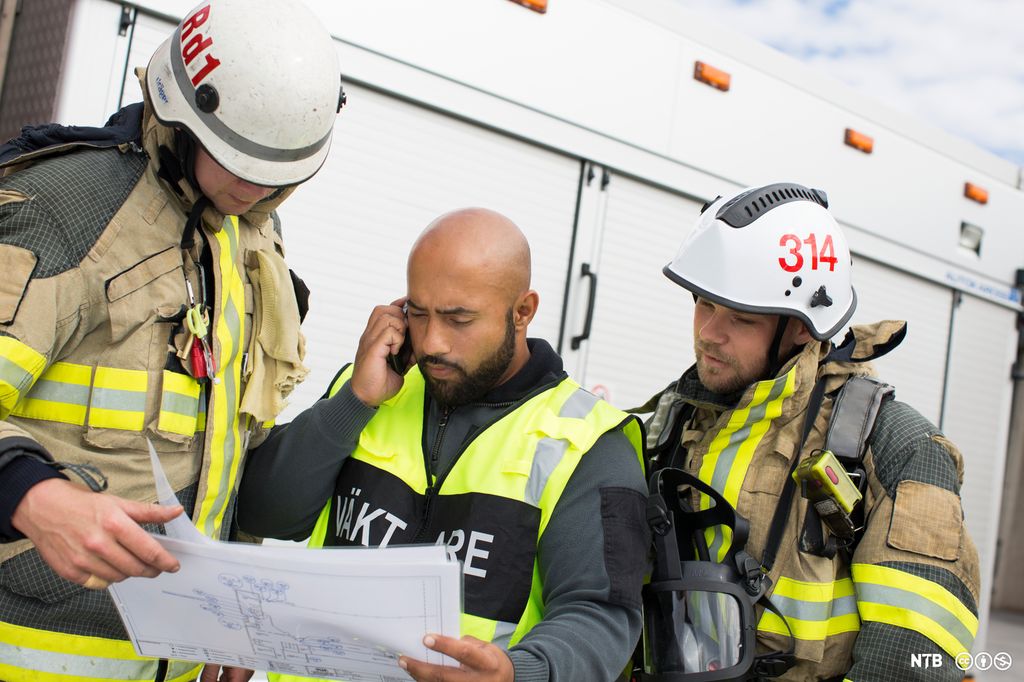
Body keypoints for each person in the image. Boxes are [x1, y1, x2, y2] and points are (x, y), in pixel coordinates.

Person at [0, 0, 345, 680]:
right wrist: (29, 497)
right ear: (183, 115)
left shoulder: (251, 238)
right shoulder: (66, 209)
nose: (255, 188)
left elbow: (228, 445)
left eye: (279, 174)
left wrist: (234, 617)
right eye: (238, 162)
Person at [236, 207, 650, 682]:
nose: (432, 342)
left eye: (458, 319)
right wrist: (355, 401)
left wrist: (518, 674)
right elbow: (262, 514)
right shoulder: (370, 389)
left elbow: (602, 615)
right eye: (418, 312)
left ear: (522, 311)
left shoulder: (589, 443)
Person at [636, 182, 980, 681]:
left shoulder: (897, 449)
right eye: (703, 304)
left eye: (740, 318)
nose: (708, 332)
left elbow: (908, 661)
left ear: (803, 329)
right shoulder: (683, 416)